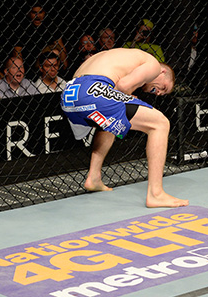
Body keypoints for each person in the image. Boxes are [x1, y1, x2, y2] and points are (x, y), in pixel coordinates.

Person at [60, 48, 188, 208]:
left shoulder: (117, 57)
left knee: (110, 122)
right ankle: (156, 194)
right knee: (160, 123)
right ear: (162, 72)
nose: (159, 93)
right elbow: (123, 85)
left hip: (69, 95)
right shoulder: (153, 64)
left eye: (163, 93)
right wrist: (127, 95)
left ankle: (94, 177)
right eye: (164, 87)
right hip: (92, 90)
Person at [12, 4, 67, 79]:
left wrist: (65, 66)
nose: (37, 16)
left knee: (55, 51)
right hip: (30, 63)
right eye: (34, 12)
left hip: (46, 59)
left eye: (40, 12)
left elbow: (60, 46)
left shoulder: (50, 26)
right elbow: (17, 51)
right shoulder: (22, 28)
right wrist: (21, 70)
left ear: (44, 13)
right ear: (29, 13)